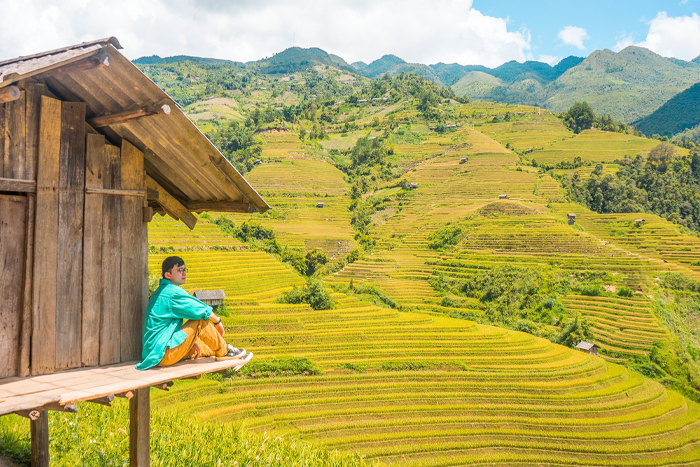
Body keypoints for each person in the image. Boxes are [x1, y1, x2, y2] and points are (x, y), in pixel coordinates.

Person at [136, 256, 245, 370]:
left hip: (155, 353)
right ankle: (225, 352)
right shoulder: (171, 293)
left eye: (184, 270)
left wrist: (191, 343)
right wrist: (217, 321)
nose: (184, 273)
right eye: (180, 270)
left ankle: (232, 356)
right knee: (199, 321)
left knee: (203, 346)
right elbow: (199, 309)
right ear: (168, 275)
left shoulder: (163, 291)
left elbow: (167, 328)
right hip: (162, 354)